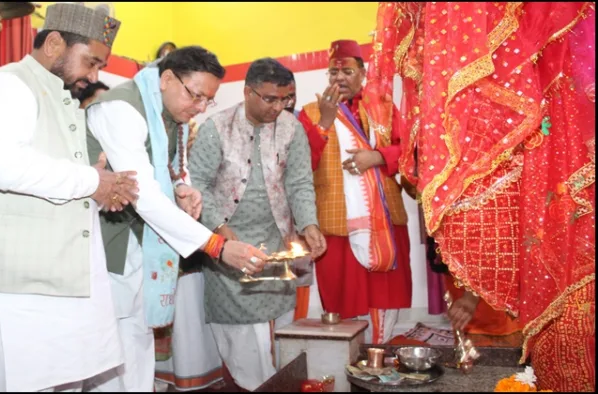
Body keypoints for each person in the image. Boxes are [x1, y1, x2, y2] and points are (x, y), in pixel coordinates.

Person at [367, 2, 594, 391]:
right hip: (505, 305)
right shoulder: (493, 193)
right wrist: (470, 298)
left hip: (520, 302)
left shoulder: (539, 142)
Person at [0, 3, 141, 392]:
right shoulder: (6, 85)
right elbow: (8, 167)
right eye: (91, 62)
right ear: (53, 43)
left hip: (45, 279)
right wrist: (92, 182)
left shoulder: (57, 94)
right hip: (6, 280)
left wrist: (99, 189)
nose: (94, 75)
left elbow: (53, 182)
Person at [85, 46, 269, 392]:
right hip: (105, 242)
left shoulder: (169, 112)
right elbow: (143, 194)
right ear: (167, 78)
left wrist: (182, 187)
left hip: (139, 245)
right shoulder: (122, 109)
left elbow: (167, 172)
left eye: (207, 100)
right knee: (106, 353)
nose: (200, 107)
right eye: (195, 95)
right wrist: (217, 245)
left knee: (137, 341)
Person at [190, 58, 326, 391]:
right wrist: (219, 228)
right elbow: (197, 184)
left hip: (276, 242)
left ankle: (275, 384)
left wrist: (308, 223)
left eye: (286, 99)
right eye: (270, 98)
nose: (279, 107)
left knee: (278, 329)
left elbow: (299, 181)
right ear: (247, 92)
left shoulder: (291, 128)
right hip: (229, 247)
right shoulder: (216, 127)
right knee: (242, 339)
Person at [297, 39, 413, 344]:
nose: (339, 79)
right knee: (343, 298)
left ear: (362, 73)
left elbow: (411, 152)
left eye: (347, 71)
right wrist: (324, 121)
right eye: (333, 73)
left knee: (383, 295)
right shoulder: (310, 112)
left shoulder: (384, 108)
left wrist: (376, 157)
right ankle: (348, 364)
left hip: (384, 222)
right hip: (336, 225)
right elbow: (300, 164)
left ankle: (380, 354)